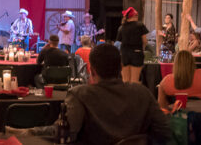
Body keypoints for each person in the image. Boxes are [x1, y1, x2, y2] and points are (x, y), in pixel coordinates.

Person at [26, 44, 170, 144]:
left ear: (92, 70)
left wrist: (30, 132)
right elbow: (164, 131)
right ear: (120, 67)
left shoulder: (80, 94)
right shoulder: (142, 93)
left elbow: (64, 132)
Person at [116, 7, 148, 83]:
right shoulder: (140, 25)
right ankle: (134, 94)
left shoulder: (121, 27)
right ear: (134, 16)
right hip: (137, 53)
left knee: (125, 80)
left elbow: (119, 42)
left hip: (124, 54)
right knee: (134, 81)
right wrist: (142, 49)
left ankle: (125, 94)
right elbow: (145, 41)